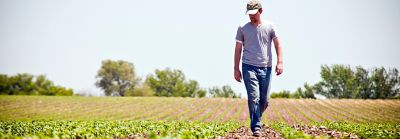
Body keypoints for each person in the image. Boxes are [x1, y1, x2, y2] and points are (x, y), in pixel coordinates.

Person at [234, 0, 283, 137]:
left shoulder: (270, 27)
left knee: (265, 101)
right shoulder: (242, 28)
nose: (251, 16)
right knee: (253, 97)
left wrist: (280, 62)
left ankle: (256, 116)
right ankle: (256, 126)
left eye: (254, 13)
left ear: (261, 11)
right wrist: (236, 69)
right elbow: (238, 50)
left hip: (266, 68)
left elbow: (278, 45)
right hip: (248, 66)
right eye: (249, 14)